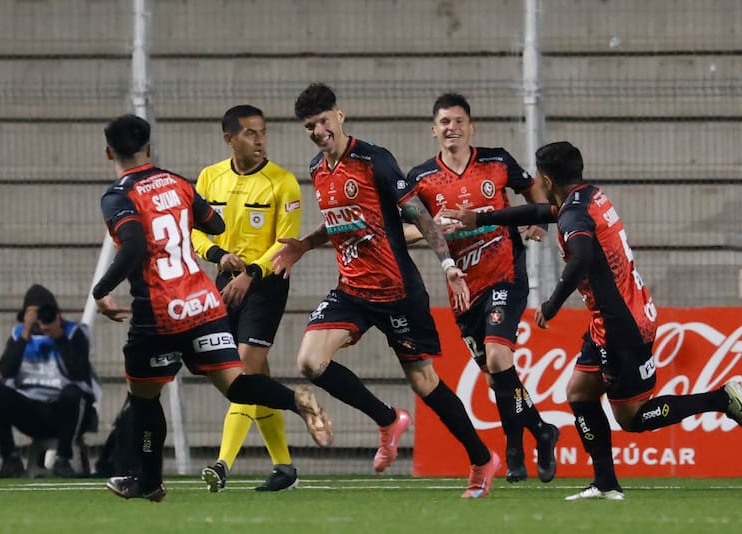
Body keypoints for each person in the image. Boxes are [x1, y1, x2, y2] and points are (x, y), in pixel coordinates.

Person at [441, 140, 742, 500]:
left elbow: (580, 258)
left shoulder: (574, 215)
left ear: (546, 177)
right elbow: (541, 213)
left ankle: (722, 399)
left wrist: (553, 302)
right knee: (578, 393)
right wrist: (479, 218)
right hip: (614, 316)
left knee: (633, 418)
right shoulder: (587, 197)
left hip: (621, 325)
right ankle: (605, 483)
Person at [272, 83, 500, 499]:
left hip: (397, 291)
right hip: (352, 290)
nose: (319, 131)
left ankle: (482, 459)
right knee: (309, 361)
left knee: (424, 383)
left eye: (323, 121)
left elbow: (420, 215)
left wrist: (448, 264)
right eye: (310, 126)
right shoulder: (317, 168)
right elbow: (341, 222)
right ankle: (387, 419)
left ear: (339, 116)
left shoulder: (375, 161)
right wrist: (304, 245)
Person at [93, 114, 332, 502]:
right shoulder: (177, 181)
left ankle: (149, 480)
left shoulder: (118, 195)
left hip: (160, 311)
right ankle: (296, 400)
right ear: (149, 149)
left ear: (108, 153)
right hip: (205, 303)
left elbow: (134, 246)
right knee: (237, 384)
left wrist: (101, 290)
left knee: (144, 397)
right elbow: (215, 223)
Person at [401, 93, 560, 483]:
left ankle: (512, 450)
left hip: (506, 272)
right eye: (444, 122)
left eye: (458, 121)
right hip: (463, 287)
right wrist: (431, 229)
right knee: (495, 375)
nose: (451, 127)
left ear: (471, 127)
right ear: (433, 130)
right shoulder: (420, 179)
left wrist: (539, 217)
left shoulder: (496, 160)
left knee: (498, 357)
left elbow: (533, 189)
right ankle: (541, 430)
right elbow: (400, 233)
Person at [191, 105, 303, 493]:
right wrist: (218, 257)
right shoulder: (209, 178)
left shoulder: (283, 182)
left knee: (242, 373)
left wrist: (250, 273)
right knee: (256, 377)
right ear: (230, 139)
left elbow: (285, 244)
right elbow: (194, 233)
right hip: (224, 280)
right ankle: (285, 468)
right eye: (251, 134)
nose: (259, 141)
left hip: (266, 282)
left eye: (263, 133)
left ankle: (222, 464)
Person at [0, 284, 97, 478]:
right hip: (31, 410)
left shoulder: (73, 332)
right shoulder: (19, 334)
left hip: (65, 412)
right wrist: (26, 333)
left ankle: (64, 459)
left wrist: (58, 337)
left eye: (46, 314)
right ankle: (10, 459)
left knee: (73, 393)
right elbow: (6, 371)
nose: (41, 322)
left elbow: (79, 373)